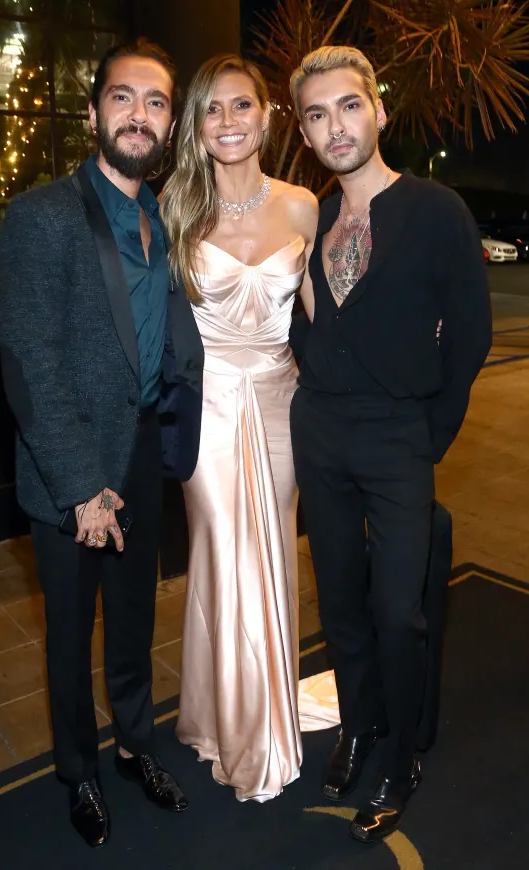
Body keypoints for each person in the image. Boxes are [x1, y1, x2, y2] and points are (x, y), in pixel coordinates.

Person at [0, 38, 203, 848]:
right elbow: (30, 362)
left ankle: (134, 745)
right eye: (123, 97)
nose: (139, 115)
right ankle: (78, 769)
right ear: (92, 113)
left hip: (143, 449)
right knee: (69, 634)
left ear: (169, 123)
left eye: (155, 102)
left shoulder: (166, 218)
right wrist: (83, 487)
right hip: (72, 469)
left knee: (132, 619)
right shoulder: (42, 213)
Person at [288, 46, 492, 842]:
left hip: (399, 433)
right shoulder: (310, 217)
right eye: (317, 114)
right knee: (340, 601)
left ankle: (402, 754)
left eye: (348, 105)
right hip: (320, 430)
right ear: (304, 131)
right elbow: (302, 321)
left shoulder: (436, 210)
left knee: (397, 611)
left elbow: (470, 335)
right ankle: (360, 720)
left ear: (378, 110)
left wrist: (427, 434)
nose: (335, 126)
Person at [161, 54, 336, 804]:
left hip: (281, 402)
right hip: (207, 410)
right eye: (212, 108)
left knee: (274, 554)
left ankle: (263, 713)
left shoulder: (302, 207)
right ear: (195, 126)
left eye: (242, 105)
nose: (228, 121)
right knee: (223, 550)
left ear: (267, 116)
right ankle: (232, 723)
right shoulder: (173, 209)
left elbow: (324, 319)